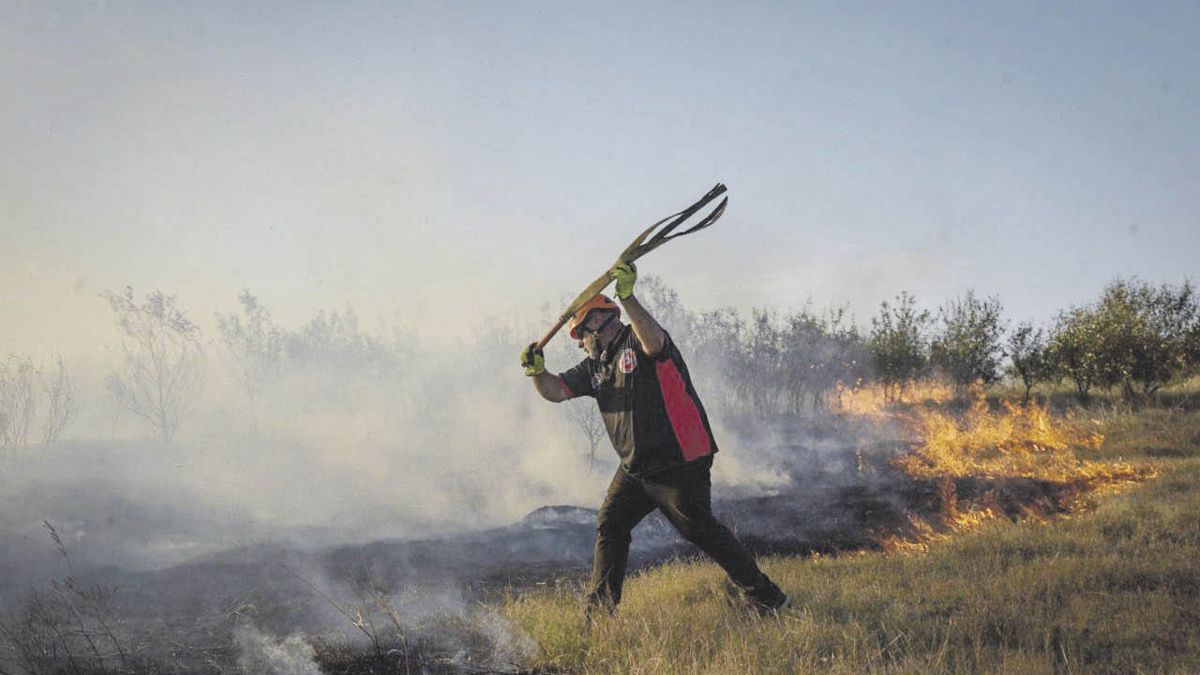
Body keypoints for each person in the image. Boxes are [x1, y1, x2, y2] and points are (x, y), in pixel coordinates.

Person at [520, 262, 789, 621]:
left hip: (679, 460)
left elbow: (655, 343)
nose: (581, 343)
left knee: (700, 530)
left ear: (597, 322)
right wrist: (538, 373)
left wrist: (628, 297)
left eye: (581, 334)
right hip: (636, 467)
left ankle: (767, 597)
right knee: (611, 524)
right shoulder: (594, 367)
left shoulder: (638, 337)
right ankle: (599, 616)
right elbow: (555, 390)